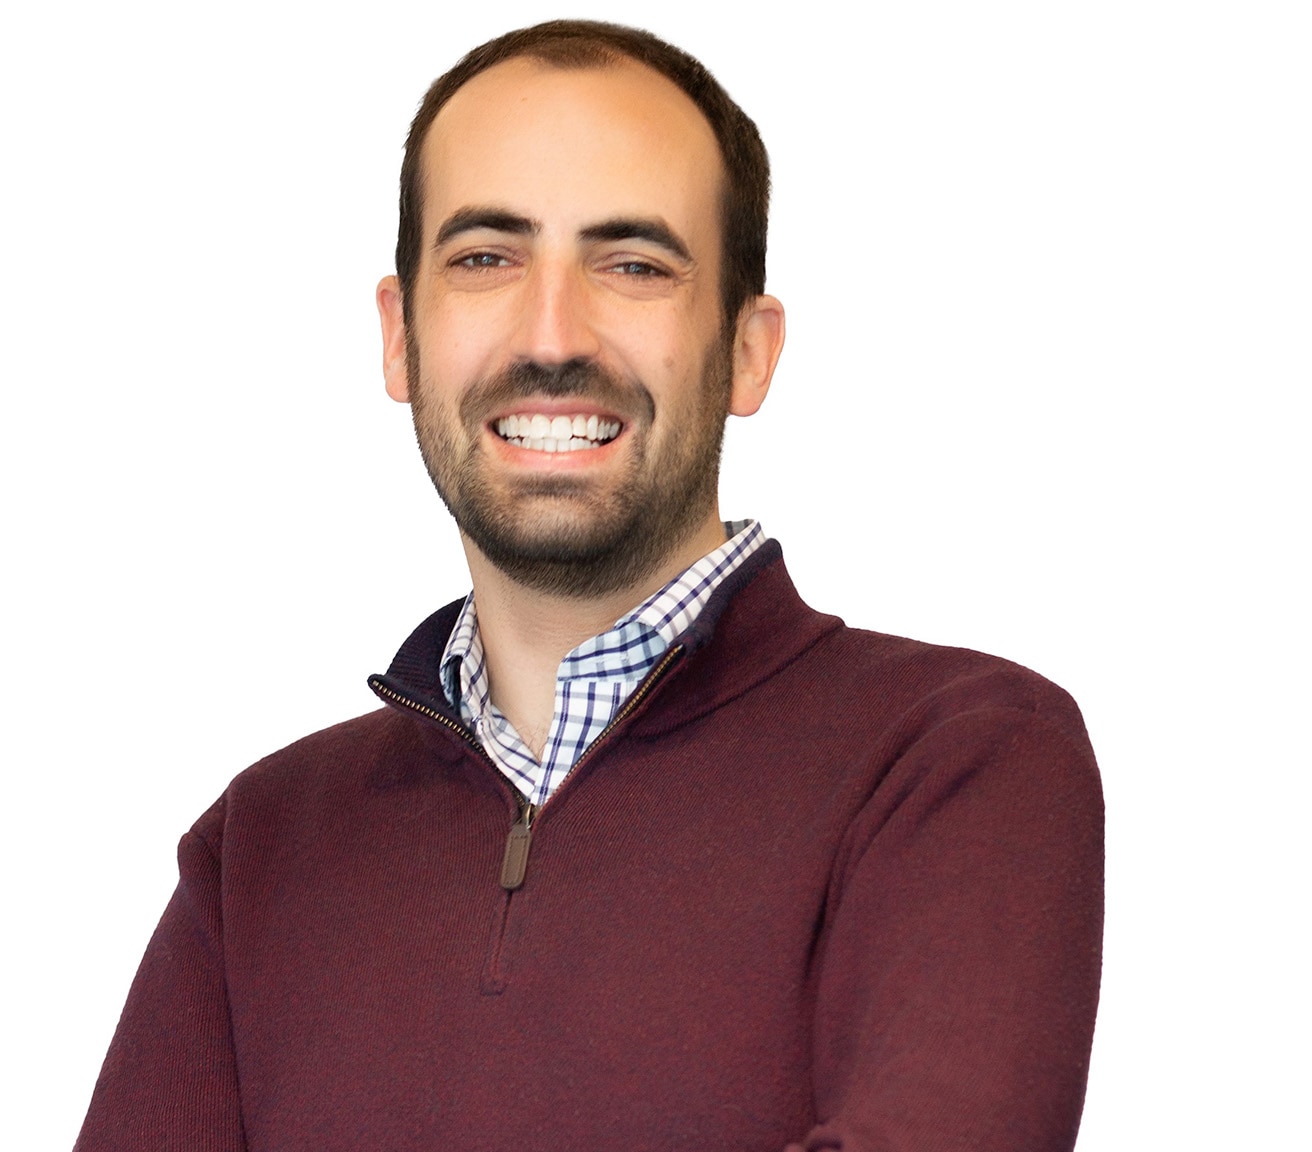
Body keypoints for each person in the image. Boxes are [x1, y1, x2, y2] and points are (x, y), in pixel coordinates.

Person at [74, 20, 1103, 1152]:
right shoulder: (262, 849)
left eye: (634, 265)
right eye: (485, 258)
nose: (552, 335)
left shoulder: (955, 759)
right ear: (401, 338)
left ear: (749, 351)